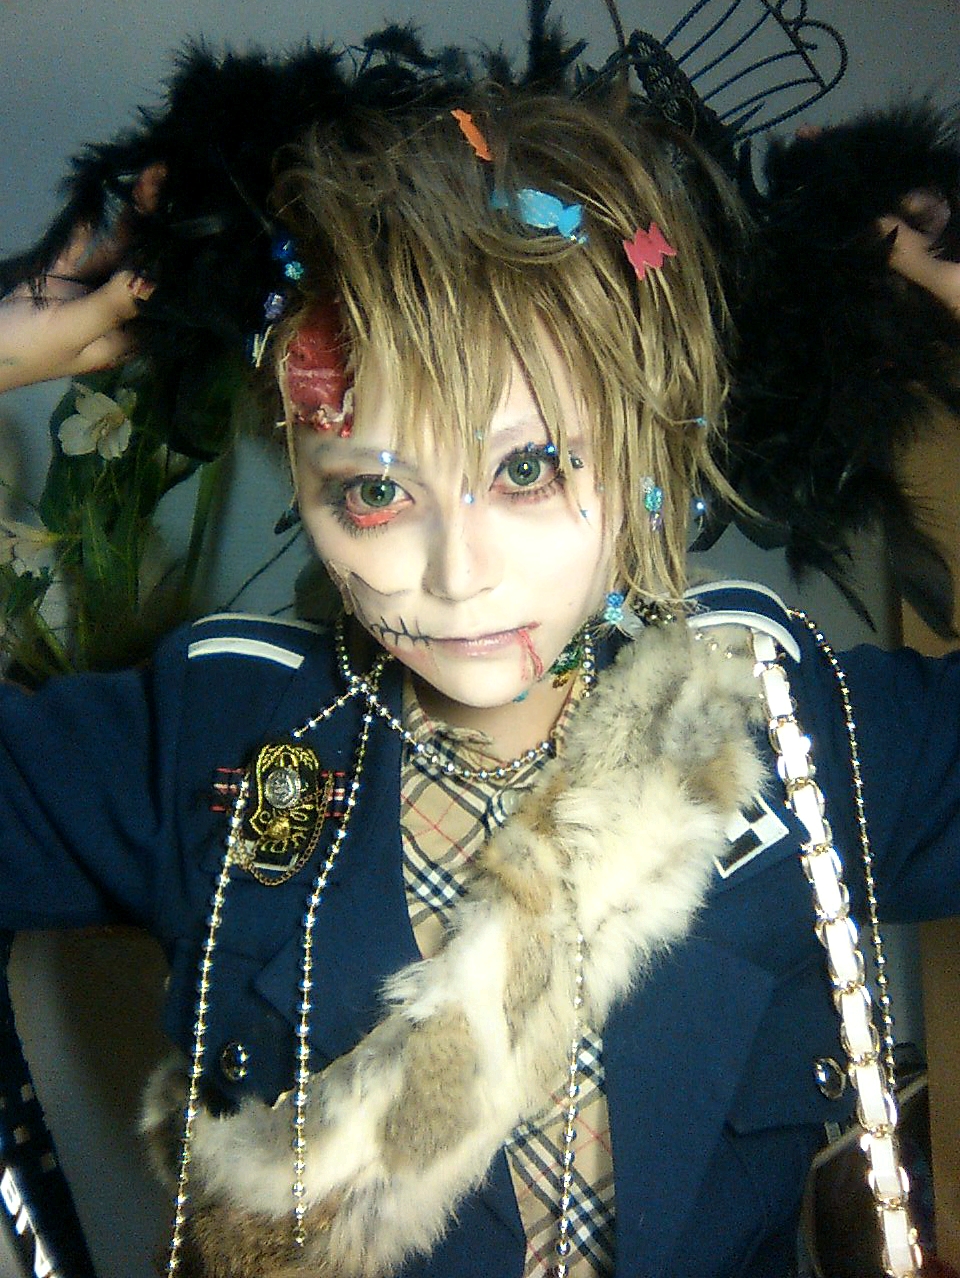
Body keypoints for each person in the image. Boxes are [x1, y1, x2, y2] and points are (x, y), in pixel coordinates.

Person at [1, 86, 958, 1278]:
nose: (457, 577)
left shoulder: (794, 728)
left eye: (530, 468)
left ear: (652, 445)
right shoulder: (205, 737)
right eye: (374, 491)